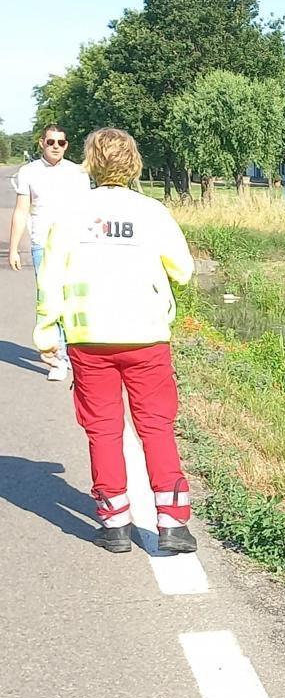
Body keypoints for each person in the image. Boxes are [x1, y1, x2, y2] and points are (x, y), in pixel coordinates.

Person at [34, 127, 197, 554]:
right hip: (145, 338)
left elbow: (49, 278)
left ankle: (115, 523)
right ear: (133, 163)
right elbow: (182, 269)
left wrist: (46, 332)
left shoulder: (70, 215)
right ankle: (173, 524)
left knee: (103, 430)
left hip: (89, 340)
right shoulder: (152, 212)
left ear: (90, 161)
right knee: (156, 426)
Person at [8, 124, 92, 381]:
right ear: (41, 143)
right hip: (42, 244)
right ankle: (57, 359)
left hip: (73, 245)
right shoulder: (29, 172)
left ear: (67, 145)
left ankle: (72, 355)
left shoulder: (78, 173)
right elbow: (22, 211)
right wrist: (14, 249)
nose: (56, 146)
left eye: (61, 142)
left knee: (72, 301)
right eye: (51, 142)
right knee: (49, 302)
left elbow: (88, 211)